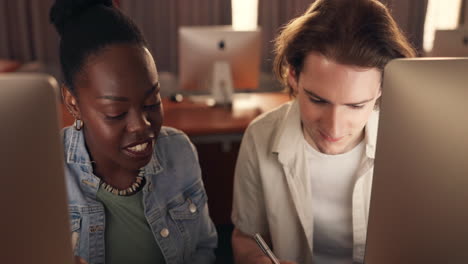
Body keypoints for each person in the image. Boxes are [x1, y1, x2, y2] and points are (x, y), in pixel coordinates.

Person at [231, 0, 416, 263]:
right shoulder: (260, 135)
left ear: (382, 88)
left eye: (355, 105)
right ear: (293, 74)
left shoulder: (411, 143)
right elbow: (246, 238)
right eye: (318, 100)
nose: (334, 127)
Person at [49, 0, 217, 263]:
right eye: (116, 113)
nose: (142, 125)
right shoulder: (44, 173)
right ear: (73, 103)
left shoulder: (179, 151)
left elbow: (203, 249)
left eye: (152, 102)